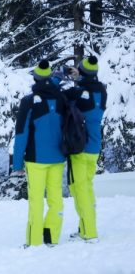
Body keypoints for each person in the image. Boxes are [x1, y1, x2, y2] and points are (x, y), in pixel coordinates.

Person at [12, 59, 67, 247]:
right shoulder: (61, 98)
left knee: (36, 201)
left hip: (35, 160)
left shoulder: (28, 102)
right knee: (56, 199)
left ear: (35, 78)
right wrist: (58, 79)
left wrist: (17, 164)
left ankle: (34, 241)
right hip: (58, 157)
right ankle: (51, 237)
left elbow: (21, 134)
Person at [63, 56, 107, 243]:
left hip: (80, 149)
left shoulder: (79, 92)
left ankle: (90, 232)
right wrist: (80, 77)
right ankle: (84, 228)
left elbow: (65, 98)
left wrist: (74, 79)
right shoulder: (102, 91)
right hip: (94, 147)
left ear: (83, 72)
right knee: (87, 188)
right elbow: (87, 89)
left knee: (79, 190)